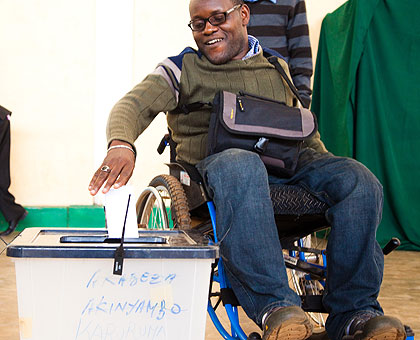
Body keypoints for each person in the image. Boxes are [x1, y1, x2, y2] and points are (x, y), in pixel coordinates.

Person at [88, 0, 406, 339]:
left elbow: (302, 132)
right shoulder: (182, 68)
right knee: (243, 163)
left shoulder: (276, 67)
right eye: (199, 23)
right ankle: (276, 308)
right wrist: (121, 143)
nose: (208, 28)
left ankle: (355, 312)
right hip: (216, 171)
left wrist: (329, 168)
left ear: (243, 15)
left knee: (358, 180)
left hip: (286, 166)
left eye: (218, 18)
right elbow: (131, 105)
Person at [245, 0, 313, 108]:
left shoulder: (293, 2)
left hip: (280, 100)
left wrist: (302, 101)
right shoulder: (225, 5)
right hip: (237, 99)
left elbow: (301, 55)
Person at [0, 105, 27, 236]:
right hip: (2, 118)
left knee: (1, 175)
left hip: (1, 120)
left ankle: (15, 213)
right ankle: (15, 213)